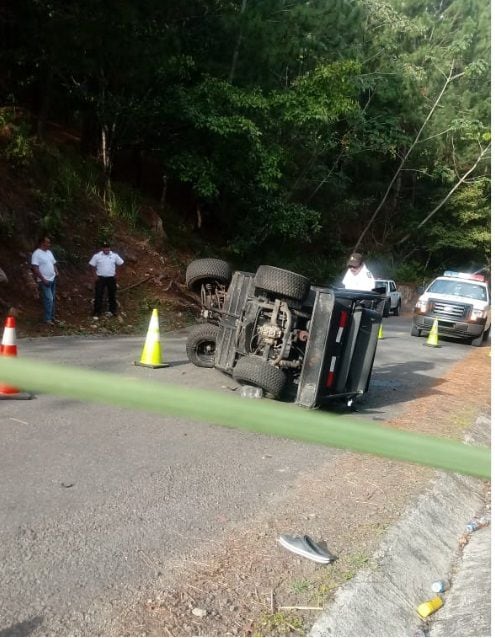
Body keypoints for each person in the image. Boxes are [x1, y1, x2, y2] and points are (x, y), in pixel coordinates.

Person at [89, 241, 124, 319]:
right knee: (98, 294)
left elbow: (121, 264)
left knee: (112, 294)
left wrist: (118, 274)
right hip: (100, 278)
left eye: (107, 248)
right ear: (102, 248)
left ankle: (112, 311)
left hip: (111, 278)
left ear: (109, 248)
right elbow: (92, 266)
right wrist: (94, 276)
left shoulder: (115, 256)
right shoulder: (97, 256)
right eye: (105, 248)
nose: (106, 250)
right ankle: (97, 311)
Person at [31, 236, 59, 325]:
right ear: (42, 243)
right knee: (49, 299)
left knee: (53, 299)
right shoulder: (36, 254)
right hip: (44, 280)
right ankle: (47, 319)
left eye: (49, 242)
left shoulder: (49, 252)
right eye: (47, 242)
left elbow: (53, 263)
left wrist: (56, 271)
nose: (49, 244)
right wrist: (43, 279)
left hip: (52, 278)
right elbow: (35, 268)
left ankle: (52, 317)